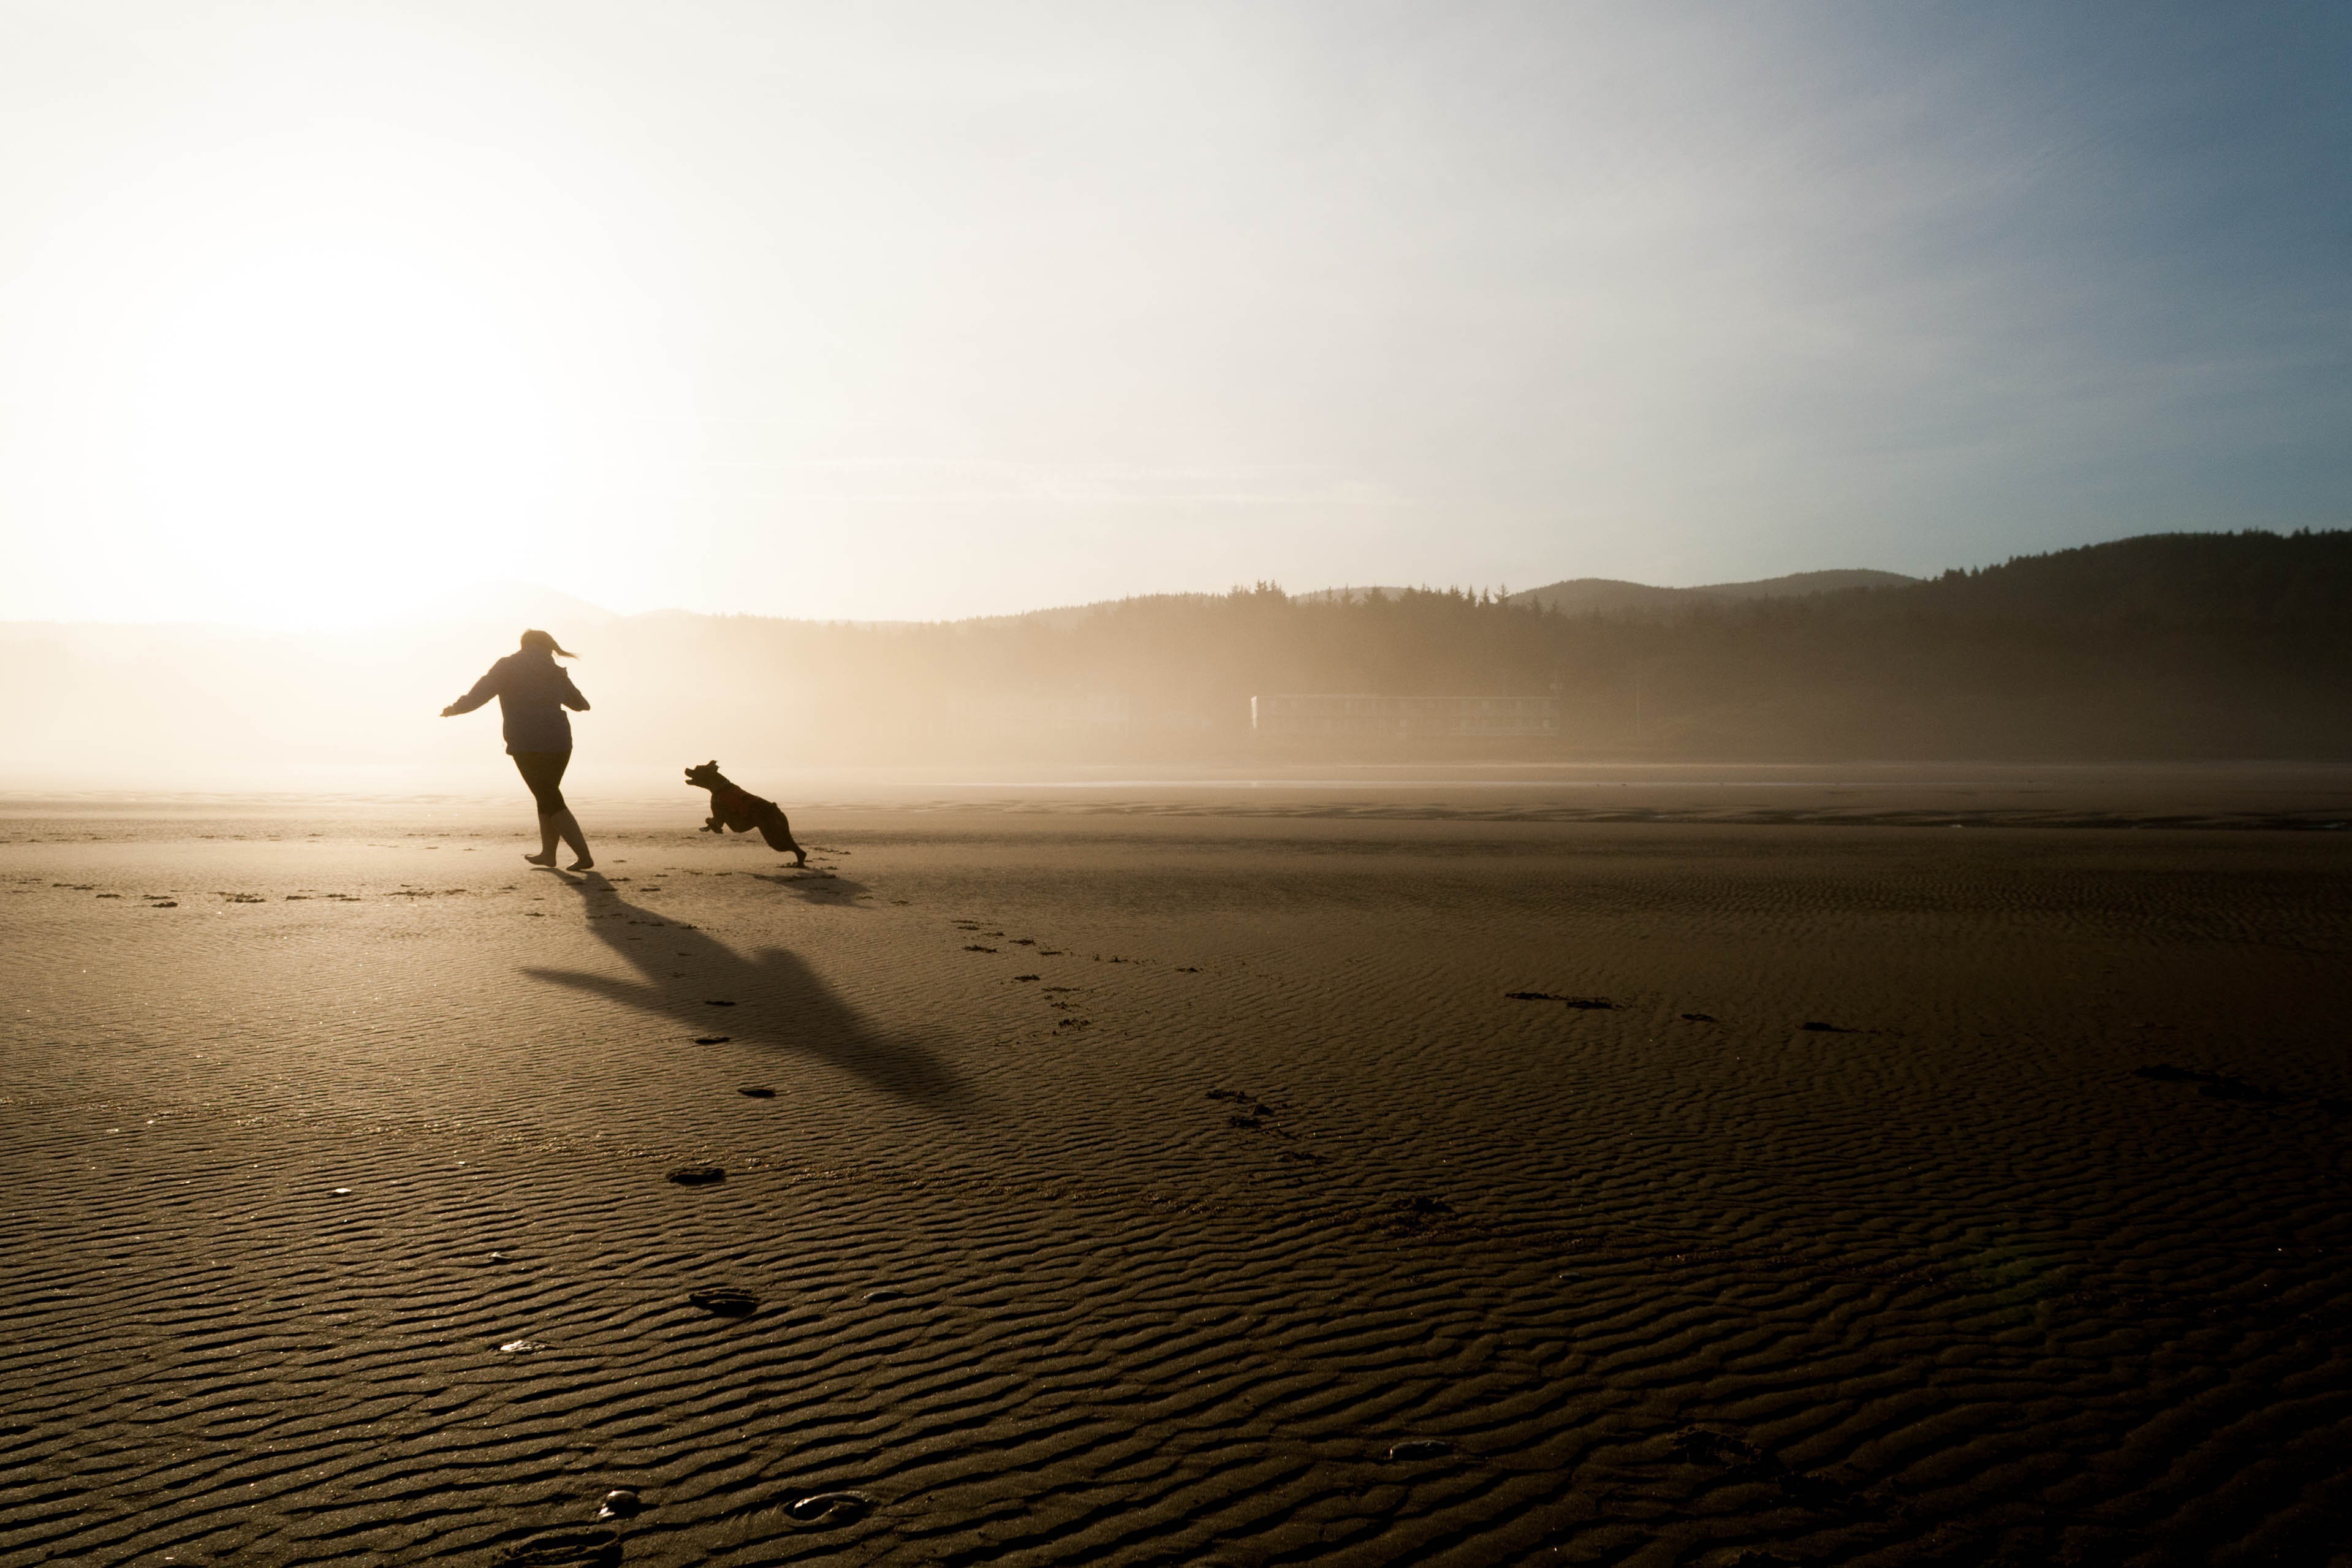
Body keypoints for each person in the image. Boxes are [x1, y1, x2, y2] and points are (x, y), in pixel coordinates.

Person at [442, 629, 595, 871]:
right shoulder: (554, 671)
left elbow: (479, 695)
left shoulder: (508, 666)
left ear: (523, 646)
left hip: (527, 742)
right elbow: (580, 705)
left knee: (549, 797)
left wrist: (455, 709)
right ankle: (548, 854)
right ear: (547, 648)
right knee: (546, 796)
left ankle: (584, 856)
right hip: (560, 743)